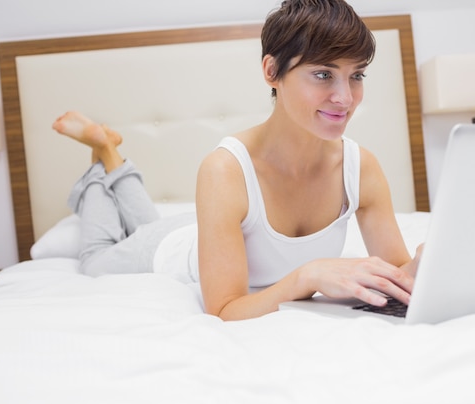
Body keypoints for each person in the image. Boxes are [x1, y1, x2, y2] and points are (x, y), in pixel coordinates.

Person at [53, 0, 421, 321]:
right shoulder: (224, 171)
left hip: (211, 229)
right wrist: (306, 276)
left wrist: (425, 266)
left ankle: (113, 155)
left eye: (356, 75)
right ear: (271, 71)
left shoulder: (361, 167)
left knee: (144, 220)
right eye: (323, 74)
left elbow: (397, 270)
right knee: (95, 258)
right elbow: (225, 309)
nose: (345, 97)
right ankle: (104, 153)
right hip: (167, 248)